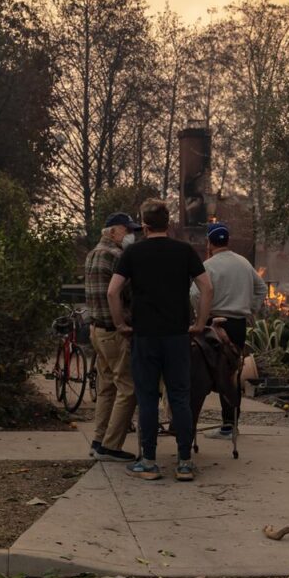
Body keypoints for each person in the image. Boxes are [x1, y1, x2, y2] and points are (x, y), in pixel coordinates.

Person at [107, 199, 214, 482]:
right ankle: (184, 462)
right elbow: (207, 287)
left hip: (145, 336)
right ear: (169, 223)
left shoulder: (132, 253)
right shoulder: (184, 251)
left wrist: (120, 324)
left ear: (144, 224)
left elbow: (112, 292)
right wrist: (200, 322)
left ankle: (150, 461)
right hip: (177, 335)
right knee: (179, 397)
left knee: (147, 398)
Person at [191, 222, 266, 439]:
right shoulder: (243, 263)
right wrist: (250, 308)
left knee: (205, 372)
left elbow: (194, 294)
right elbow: (261, 288)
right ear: (228, 240)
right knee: (232, 372)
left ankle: (199, 422)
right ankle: (230, 424)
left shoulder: (209, 265)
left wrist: (201, 315)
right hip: (237, 325)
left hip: (214, 324)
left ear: (209, 242)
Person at [84, 212, 141, 462]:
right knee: (128, 388)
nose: (131, 235)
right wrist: (123, 323)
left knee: (106, 387)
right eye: (127, 230)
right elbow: (124, 293)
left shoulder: (92, 254)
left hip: (97, 330)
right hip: (115, 332)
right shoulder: (117, 256)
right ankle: (112, 445)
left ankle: (98, 440)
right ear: (114, 231)